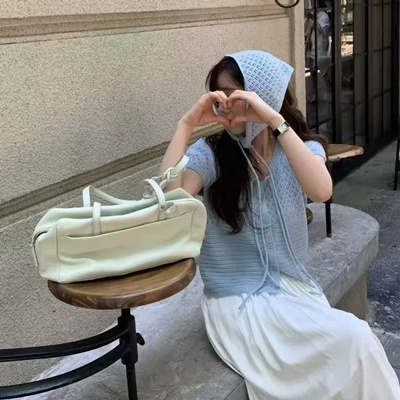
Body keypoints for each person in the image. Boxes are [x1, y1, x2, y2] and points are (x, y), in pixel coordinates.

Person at [160, 50, 400, 399]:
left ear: (263, 95)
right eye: (219, 96)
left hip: (289, 289)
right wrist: (185, 125)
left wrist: (272, 119)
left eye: (236, 95)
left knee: (356, 342)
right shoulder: (212, 153)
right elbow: (169, 204)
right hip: (237, 302)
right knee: (354, 340)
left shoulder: (299, 148)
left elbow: (321, 191)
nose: (226, 106)